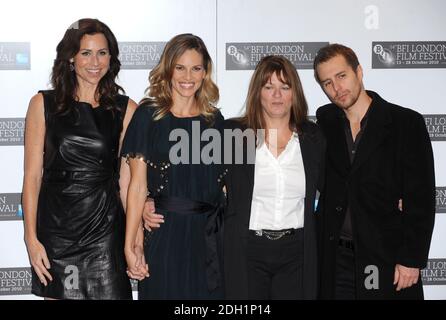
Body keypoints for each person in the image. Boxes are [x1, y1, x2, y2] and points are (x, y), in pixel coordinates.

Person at [145, 55, 326, 299]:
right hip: (247, 250)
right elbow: (187, 168)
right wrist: (150, 198)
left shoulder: (312, 138)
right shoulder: (235, 135)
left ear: (295, 93)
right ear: (257, 92)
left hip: (297, 252)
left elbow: (333, 187)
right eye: (269, 87)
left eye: (285, 87)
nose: (277, 95)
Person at [22, 18, 137, 299]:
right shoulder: (42, 105)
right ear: (71, 57)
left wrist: (135, 241)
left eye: (102, 52)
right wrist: (31, 239)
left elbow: (128, 181)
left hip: (105, 232)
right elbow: (32, 176)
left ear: (112, 57)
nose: (94, 61)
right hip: (57, 233)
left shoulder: (126, 110)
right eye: (86, 53)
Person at [314, 43, 435, 299]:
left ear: (359, 72)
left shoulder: (405, 124)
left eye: (341, 76)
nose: (336, 88)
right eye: (327, 83)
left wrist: (411, 259)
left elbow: (421, 199)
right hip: (337, 260)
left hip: (385, 258)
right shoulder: (325, 122)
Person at [122, 33, 225, 299]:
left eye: (196, 68)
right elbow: (136, 186)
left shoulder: (215, 121)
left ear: (205, 73)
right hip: (164, 232)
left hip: (208, 237)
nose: (187, 76)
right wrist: (131, 243)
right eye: (180, 67)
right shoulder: (148, 115)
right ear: (168, 70)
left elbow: (227, 183)